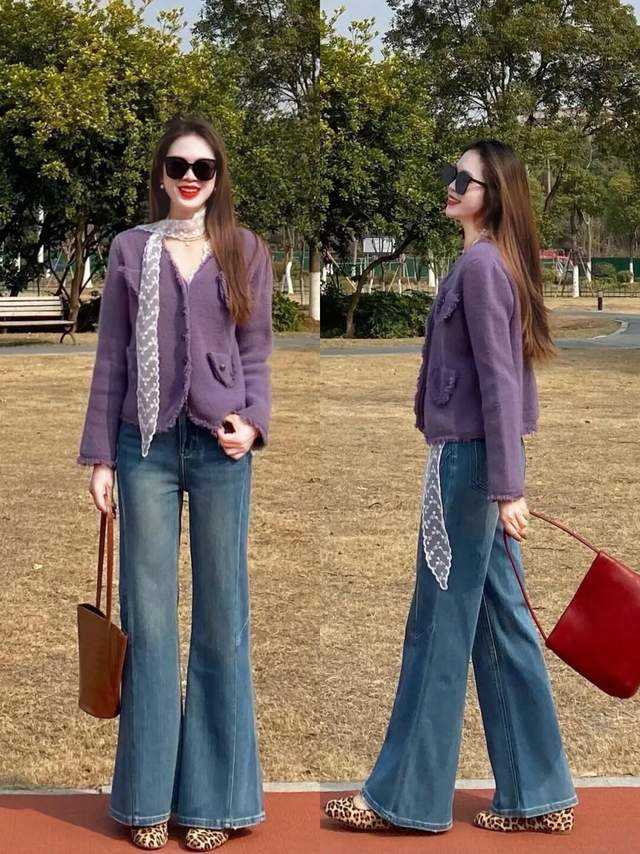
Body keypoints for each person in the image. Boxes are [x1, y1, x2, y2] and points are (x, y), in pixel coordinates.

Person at [325, 139, 578, 836]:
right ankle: (540, 792)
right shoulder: (486, 262)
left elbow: (499, 383)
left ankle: (403, 798)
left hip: (468, 467)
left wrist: (507, 487)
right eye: (450, 175)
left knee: (436, 627)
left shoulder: (482, 267)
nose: (450, 185)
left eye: (463, 180)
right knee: (501, 623)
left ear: (492, 195)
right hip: (475, 463)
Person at [77, 115, 273, 851]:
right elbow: (111, 357)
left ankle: (215, 805)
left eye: (203, 167)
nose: (190, 177)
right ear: (160, 173)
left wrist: (253, 423)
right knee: (150, 623)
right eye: (178, 165)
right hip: (145, 449)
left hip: (222, 449)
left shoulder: (245, 249)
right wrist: (101, 457)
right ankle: (147, 801)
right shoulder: (131, 248)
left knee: (222, 619)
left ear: (218, 177)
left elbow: (256, 352)